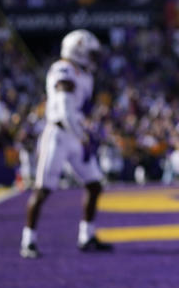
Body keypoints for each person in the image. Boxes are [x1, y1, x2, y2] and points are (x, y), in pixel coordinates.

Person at [21, 29, 111, 258]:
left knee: (94, 184)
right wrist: (83, 134)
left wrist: (87, 130)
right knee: (43, 190)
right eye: (90, 53)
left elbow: (80, 110)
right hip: (59, 134)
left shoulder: (84, 74)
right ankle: (28, 240)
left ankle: (86, 236)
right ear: (77, 50)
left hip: (76, 134)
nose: (93, 58)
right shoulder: (63, 69)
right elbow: (65, 109)